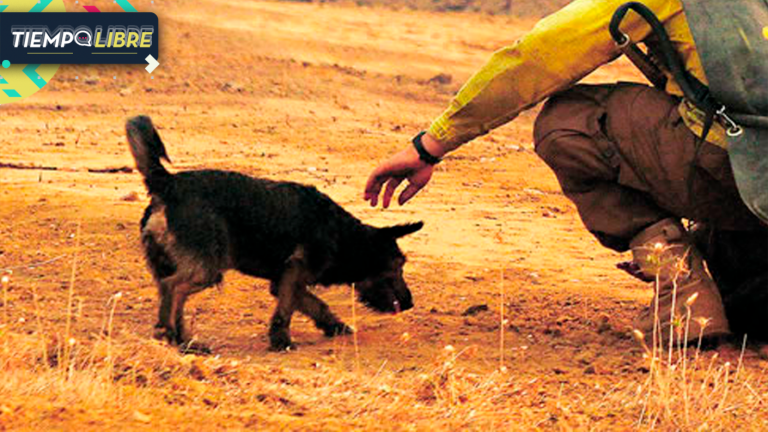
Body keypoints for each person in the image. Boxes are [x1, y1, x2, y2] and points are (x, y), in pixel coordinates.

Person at [363, 0, 768, 346]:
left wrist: (430, 145)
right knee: (747, 305)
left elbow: (542, 55)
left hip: (741, 166)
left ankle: (682, 293)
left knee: (570, 121)